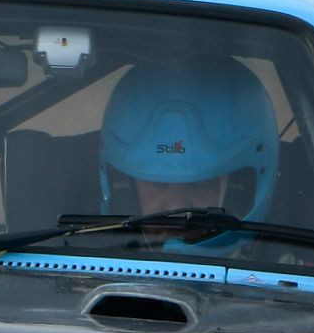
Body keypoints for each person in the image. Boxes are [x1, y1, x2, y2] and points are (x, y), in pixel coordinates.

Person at [97, 54, 281, 250]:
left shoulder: (298, 260)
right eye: (158, 184)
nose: (175, 207)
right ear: (127, 189)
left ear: (240, 187)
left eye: (197, 185)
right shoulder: (83, 254)